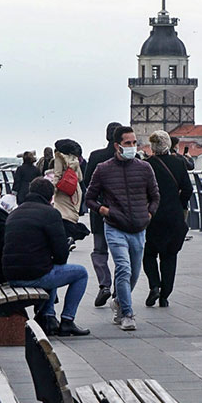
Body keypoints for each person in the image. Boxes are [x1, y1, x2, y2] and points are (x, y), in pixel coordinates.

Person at [84, 125, 159, 332]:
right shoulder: (103, 169)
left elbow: (155, 195)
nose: (132, 147)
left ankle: (118, 301)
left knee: (134, 272)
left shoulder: (144, 168)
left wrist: (149, 213)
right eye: (128, 143)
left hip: (139, 227)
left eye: (134, 143)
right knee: (123, 268)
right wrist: (103, 211)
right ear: (117, 145)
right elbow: (89, 197)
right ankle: (127, 313)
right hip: (115, 226)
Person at [4, 177, 90, 337]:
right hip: (34, 275)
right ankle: (67, 320)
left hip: (11, 275)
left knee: (50, 267)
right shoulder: (51, 213)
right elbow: (61, 254)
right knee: (80, 273)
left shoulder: (14, 213)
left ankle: (49, 316)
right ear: (51, 197)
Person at [143, 131, 193, 307]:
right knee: (169, 256)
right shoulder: (179, 164)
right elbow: (188, 189)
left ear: (152, 146)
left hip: (152, 216)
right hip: (174, 216)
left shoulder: (146, 165)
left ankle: (154, 285)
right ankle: (165, 295)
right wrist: (179, 203)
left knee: (149, 253)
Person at [84, 122, 122, 306]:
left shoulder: (96, 156)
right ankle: (118, 287)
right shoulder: (130, 158)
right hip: (122, 211)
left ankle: (104, 284)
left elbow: (87, 182)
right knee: (120, 252)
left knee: (99, 250)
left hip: (99, 209)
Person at [52, 139, 87, 241]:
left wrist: (53, 190)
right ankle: (71, 235)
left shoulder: (59, 158)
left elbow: (57, 175)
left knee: (62, 214)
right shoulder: (75, 159)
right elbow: (80, 177)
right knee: (71, 214)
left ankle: (66, 237)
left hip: (63, 190)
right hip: (75, 190)